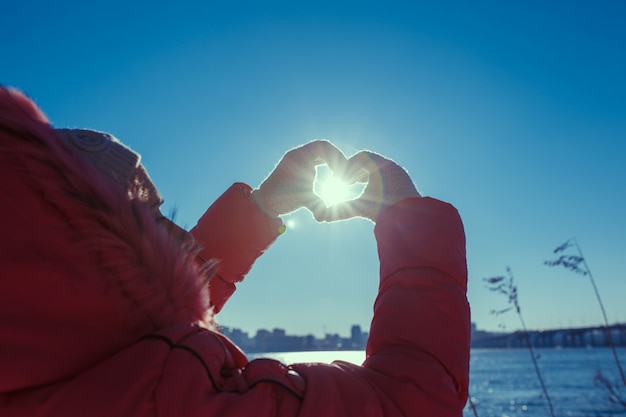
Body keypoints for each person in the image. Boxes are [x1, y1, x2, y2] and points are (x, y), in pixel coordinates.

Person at [0, 86, 470, 416]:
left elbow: (126, 319)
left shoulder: (52, 362)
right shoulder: (160, 394)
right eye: (149, 222)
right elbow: (409, 403)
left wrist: (262, 209)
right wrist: (410, 220)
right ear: (94, 248)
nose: (178, 237)